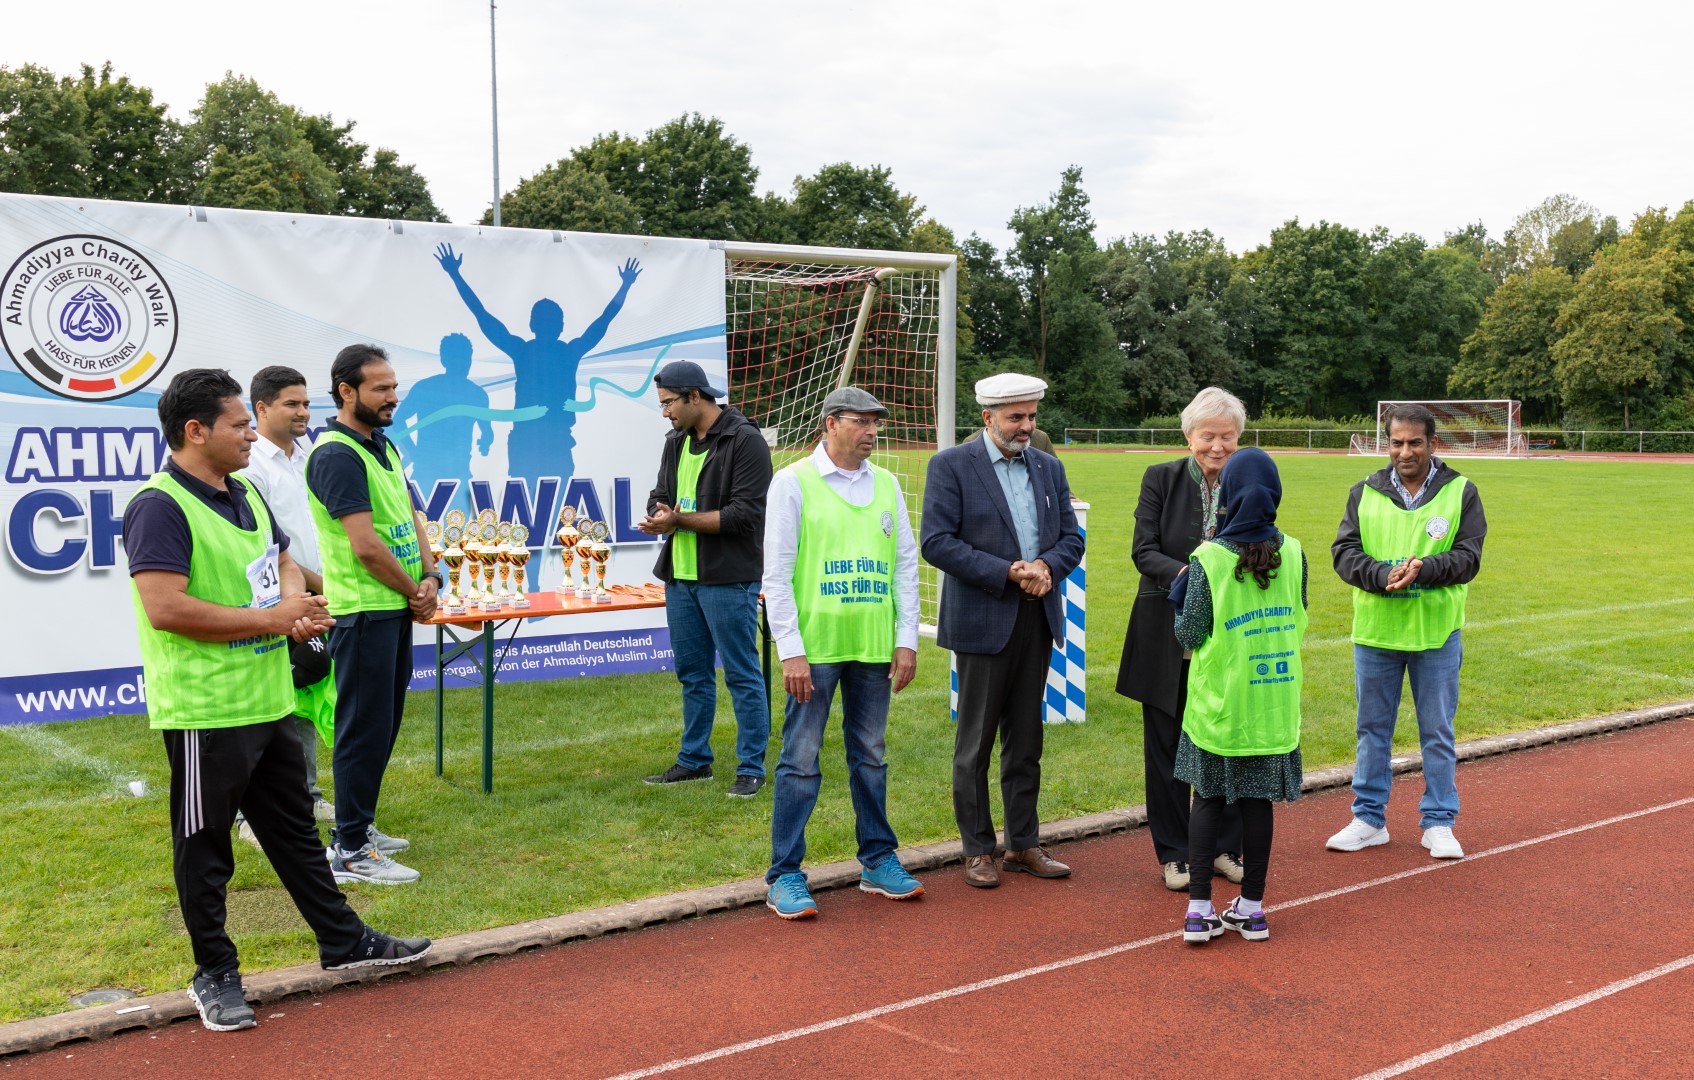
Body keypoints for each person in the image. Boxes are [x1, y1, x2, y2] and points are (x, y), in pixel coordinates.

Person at [123, 368, 431, 1033]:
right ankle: (214, 972)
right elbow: (165, 607)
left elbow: (282, 559)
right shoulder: (159, 505)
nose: (249, 434)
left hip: (268, 699)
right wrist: (273, 618)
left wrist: (294, 603)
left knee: (295, 834)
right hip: (206, 711)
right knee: (206, 847)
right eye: (238, 424)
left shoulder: (244, 491)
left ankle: (343, 940)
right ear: (195, 431)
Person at [761, 386, 924, 918]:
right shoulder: (792, 482)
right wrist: (791, 651)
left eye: (876, 422)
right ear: (831, 423)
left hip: (873, 646)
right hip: (816, 649)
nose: (872, 431)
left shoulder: (888, 484)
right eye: (861, 421)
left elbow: (904, 564)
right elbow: (776, 574)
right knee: (800, 759)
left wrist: (905, 638)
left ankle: (877, 859)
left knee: (871, 755)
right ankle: (785, 873)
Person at [920, 373, 1084, 888]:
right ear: (987, 417)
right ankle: (977, 849)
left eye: (1031, 416)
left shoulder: (1048, 466)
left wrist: (1046, 566)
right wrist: (1008, 572)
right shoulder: (951, 465)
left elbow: (1072, 538)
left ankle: (1022, 843)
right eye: (1016, 417)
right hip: (982, 621)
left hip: (1037, 618)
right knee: (975, 745)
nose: (1026, 426)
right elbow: (937, 542)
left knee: (1026, 742)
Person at [307, 344, 444, 885]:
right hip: (363, 611)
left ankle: (358, 826)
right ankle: (349, 850)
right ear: (347, 391)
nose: (393, 397)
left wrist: (431, 577)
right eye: (381, 388)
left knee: (381, 727)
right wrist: (415, 591)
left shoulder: (381, 444)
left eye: (393, 386)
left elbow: (410, 517)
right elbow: (364, 546)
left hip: (393, 607)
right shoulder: (336, 454)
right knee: (361, 730)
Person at [1326, 405, 1487, 860]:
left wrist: (1424, 569)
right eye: (1396, 442)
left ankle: (1439, 822)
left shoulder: (1461, 491)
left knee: (1437, 731)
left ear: (1432, 443)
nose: (1405, 451)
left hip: (1436, 633)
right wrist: (1382, 574)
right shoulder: (1364, 491)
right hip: (1376, 632)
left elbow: (1469, 557)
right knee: (1372, 731)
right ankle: (1368, 819)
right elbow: (1344, 552)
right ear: (1388, 444)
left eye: (1415, 442)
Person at [1171, 447, 1307, 944]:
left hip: (1220, 705)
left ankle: (1198, 910)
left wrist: (1179, 599)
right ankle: (1252, 908)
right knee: (1257, 804)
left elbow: (1189, 633)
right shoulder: (1294, 552)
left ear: (1227, 494)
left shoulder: (1208, 558)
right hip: (1272, 703)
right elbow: (1300, 612)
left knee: (1206, 799)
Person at [1115, 387, 1249, 892]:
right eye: (1208, 436)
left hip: (1229, 636)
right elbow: (1143, 550)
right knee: (1166, 747)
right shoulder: (1161, 478)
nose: (1218, 446)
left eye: (1227, 437)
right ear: (1189, 435)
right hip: (1164, 636)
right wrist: (1196, 577)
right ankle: (1175, 854)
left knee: (1226, 743)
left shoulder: (1246, 479)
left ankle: (1222, 847)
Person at [637, 360, 773, 796]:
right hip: (681, 578)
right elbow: (660, 494)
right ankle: (695, 761)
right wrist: (660, 513)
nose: (665, 413)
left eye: (669, 403)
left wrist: (678, 521)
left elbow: (744, 516)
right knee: (693, 674)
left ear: (695, 396)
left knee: (741, 675)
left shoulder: (746, 440)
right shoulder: (675, 441)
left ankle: (751, 768)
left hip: (729, 578)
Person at [434, 243, 640, 485]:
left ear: (532, 325)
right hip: (548, 440)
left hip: (535, 441)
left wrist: (455, 274)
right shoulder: (567, 352)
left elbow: (482, 315)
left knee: (530, 504)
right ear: (561, 326)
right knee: (557, 505)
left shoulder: (523, 351)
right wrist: (625, 285)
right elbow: (603, 321)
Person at [237, 366, 335, 841]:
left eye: (306, 404)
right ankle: (251, 814)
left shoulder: (309, 455)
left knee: (306, 696)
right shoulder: (250, 464)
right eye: (291, 404)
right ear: (261, 408)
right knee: (273, 703)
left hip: (313, 594)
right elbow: (271, 548)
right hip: (275, 598)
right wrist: (322, 587)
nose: (303, 413)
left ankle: (306, 794)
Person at [392, 332, 493, 520]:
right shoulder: (425, 388)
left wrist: (485, 442)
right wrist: (413, 451)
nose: (463, 364)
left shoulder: (477, 394)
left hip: (459, 474)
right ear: (444, 360)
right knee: (423, 529)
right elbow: (397, 421)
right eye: (457, 358)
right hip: (426, 472)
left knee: (459, 533)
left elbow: (487, 431)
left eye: (466, 358)